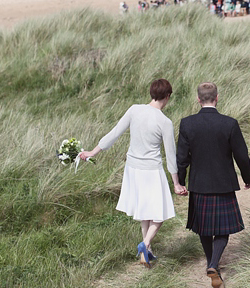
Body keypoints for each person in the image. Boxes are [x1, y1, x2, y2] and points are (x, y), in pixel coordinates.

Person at [79, 79, 187, 268]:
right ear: (168, 96)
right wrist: (176, 183)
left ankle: (147, 254)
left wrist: (92, 152)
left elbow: (114, 134)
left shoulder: (134, 110)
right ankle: (144, 244)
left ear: (151, 93)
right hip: (152, 170)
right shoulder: (165, 122)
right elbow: (171, 156)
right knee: (160, 214)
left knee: (145, 212)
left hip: (133, 169)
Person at [177, 82, 250, 288]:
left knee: (203, 227)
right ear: (217, 98)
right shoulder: (229, 123)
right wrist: (248, 178)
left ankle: (212, 263)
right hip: (223, 183)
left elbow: (181, 157)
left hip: (199, 184)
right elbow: (242, 156)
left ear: (198, 99)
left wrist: (181, 182)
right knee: (222, 228)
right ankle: (213, 264)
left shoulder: (187, 123)